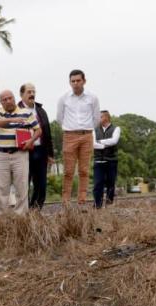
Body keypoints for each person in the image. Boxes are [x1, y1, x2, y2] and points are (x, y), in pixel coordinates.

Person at [0, 89, 41, 216]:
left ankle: (21, 221)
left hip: (20, 154)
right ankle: (1, 221)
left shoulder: (26, 112)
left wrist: (31, 141)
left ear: (14, 98)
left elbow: (38, 130)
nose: (8, 101)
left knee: (22, 188)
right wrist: (12, 120)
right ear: (1, 102)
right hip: (2, 155)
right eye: (4, 99)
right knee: (2, 189)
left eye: (10, 98)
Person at [57, 69, 101, 205]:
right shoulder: (63, 98)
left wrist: (86, 129)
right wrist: (71, 128)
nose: (75, 83)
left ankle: (82, 200)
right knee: (68, 171)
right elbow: (59, 118)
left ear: (84, 81)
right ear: (70, 82)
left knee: (84, 170)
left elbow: (96, 118)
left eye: (78, 80)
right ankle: (66, 201)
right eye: (73, 81)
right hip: (69, 136)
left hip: (86, 136)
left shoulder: (92, 98)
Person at [18, 83, 55, 209]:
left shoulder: (40, 110)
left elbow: (47, 132)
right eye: (29, 92)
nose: (32, 94)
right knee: (24, 183)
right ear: (21, 94)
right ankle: (24, 211)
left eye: (33, 91)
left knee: (41, 184)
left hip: (41, 150)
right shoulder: (15, 110)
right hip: (23, 151)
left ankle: (36, 211)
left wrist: (50, 154)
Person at [92, 111, 121, 208]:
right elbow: (92, 144)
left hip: (111, 160)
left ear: (106, 117)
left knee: (110, 184)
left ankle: (109, 205)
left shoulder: (116, 129)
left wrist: (99, 142)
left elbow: (114, 141)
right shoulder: (94, 130)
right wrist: (104, 145)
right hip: (98, 161)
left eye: (99, 117)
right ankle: (97, 206)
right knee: (97, 185)